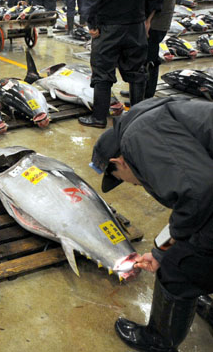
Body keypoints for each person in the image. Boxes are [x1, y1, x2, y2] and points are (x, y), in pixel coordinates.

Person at [89, 97, 213, 351]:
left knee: (180, 266)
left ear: (118, 162)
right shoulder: (151, 115)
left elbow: (198, 195)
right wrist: (159, 250)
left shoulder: (137, 140)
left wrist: (168, 253)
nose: (135, 184)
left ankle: (158, 341)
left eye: (122, 179)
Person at [78, 0, 161, 128]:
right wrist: (145, 18)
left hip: (108, 26)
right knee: (137, 70)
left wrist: (91, 23)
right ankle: (137, 116)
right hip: (136, 25)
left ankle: (99, 118)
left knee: (102, 70)